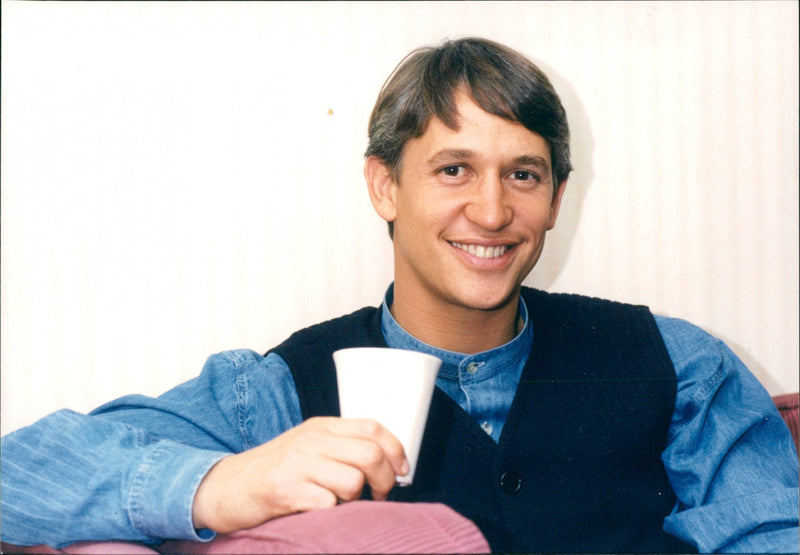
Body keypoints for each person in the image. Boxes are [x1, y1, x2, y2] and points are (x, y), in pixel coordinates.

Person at [1, 37, 798, 554]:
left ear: (557, 197)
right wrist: (220, 484)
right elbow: (18, 475)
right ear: (384, 185)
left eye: (523, 174)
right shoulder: (276, 390)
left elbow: (772, 533)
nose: (491, 211)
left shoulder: (680, 363)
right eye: (453, 170)